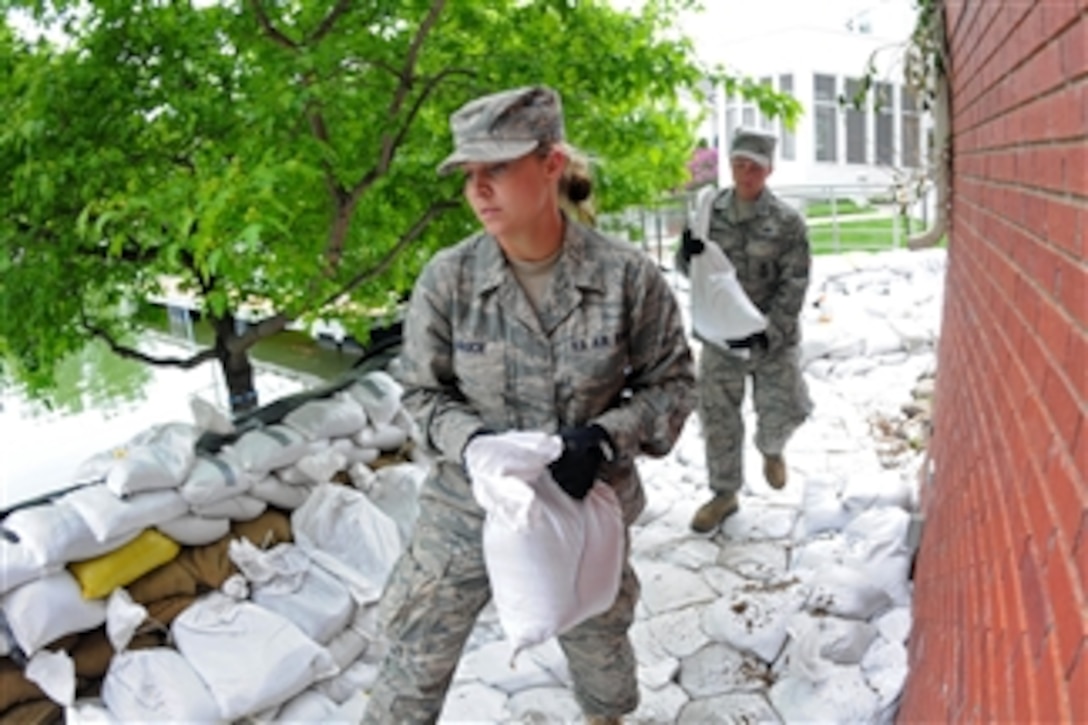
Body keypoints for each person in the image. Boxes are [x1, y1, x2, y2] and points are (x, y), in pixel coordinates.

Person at [362, 85, 696, 725]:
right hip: (469, 502)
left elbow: (673, 384)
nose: (478, 189)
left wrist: (603, 438)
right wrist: (474, 444)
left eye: (498, 168)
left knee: (600, 645)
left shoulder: (626, 277)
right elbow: (421, 394)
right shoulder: (449, 279)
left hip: (585, 497)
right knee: (413, 650)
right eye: (469, 174)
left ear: (551, 163)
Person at [675, 127, 814, 534]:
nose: (745, 173)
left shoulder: (787, 222)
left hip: (771, 336)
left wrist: (772, 330)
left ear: (767, 171)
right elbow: (693, 272)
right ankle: (724, 493)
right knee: (718, 417)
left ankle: (772, 448)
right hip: (721, 339)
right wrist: (687, 254)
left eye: (753, 166)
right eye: (738, 164)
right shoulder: (708, 211)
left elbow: (795, 281)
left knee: (782, 409)